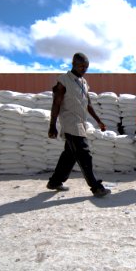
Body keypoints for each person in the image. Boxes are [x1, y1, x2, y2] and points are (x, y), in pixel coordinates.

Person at [47, 52, 111, 197]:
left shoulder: (83, 83)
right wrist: (52, 125)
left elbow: (88, 104)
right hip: (70, 122)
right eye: (81, 66)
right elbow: (56, 104)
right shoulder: (63, 80)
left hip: (81, 122)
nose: (84, 69)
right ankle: (96, 187)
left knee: (69, 155)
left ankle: (55, 182)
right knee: (84, 154)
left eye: (86, 67)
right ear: (73, 64)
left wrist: (98, 120)